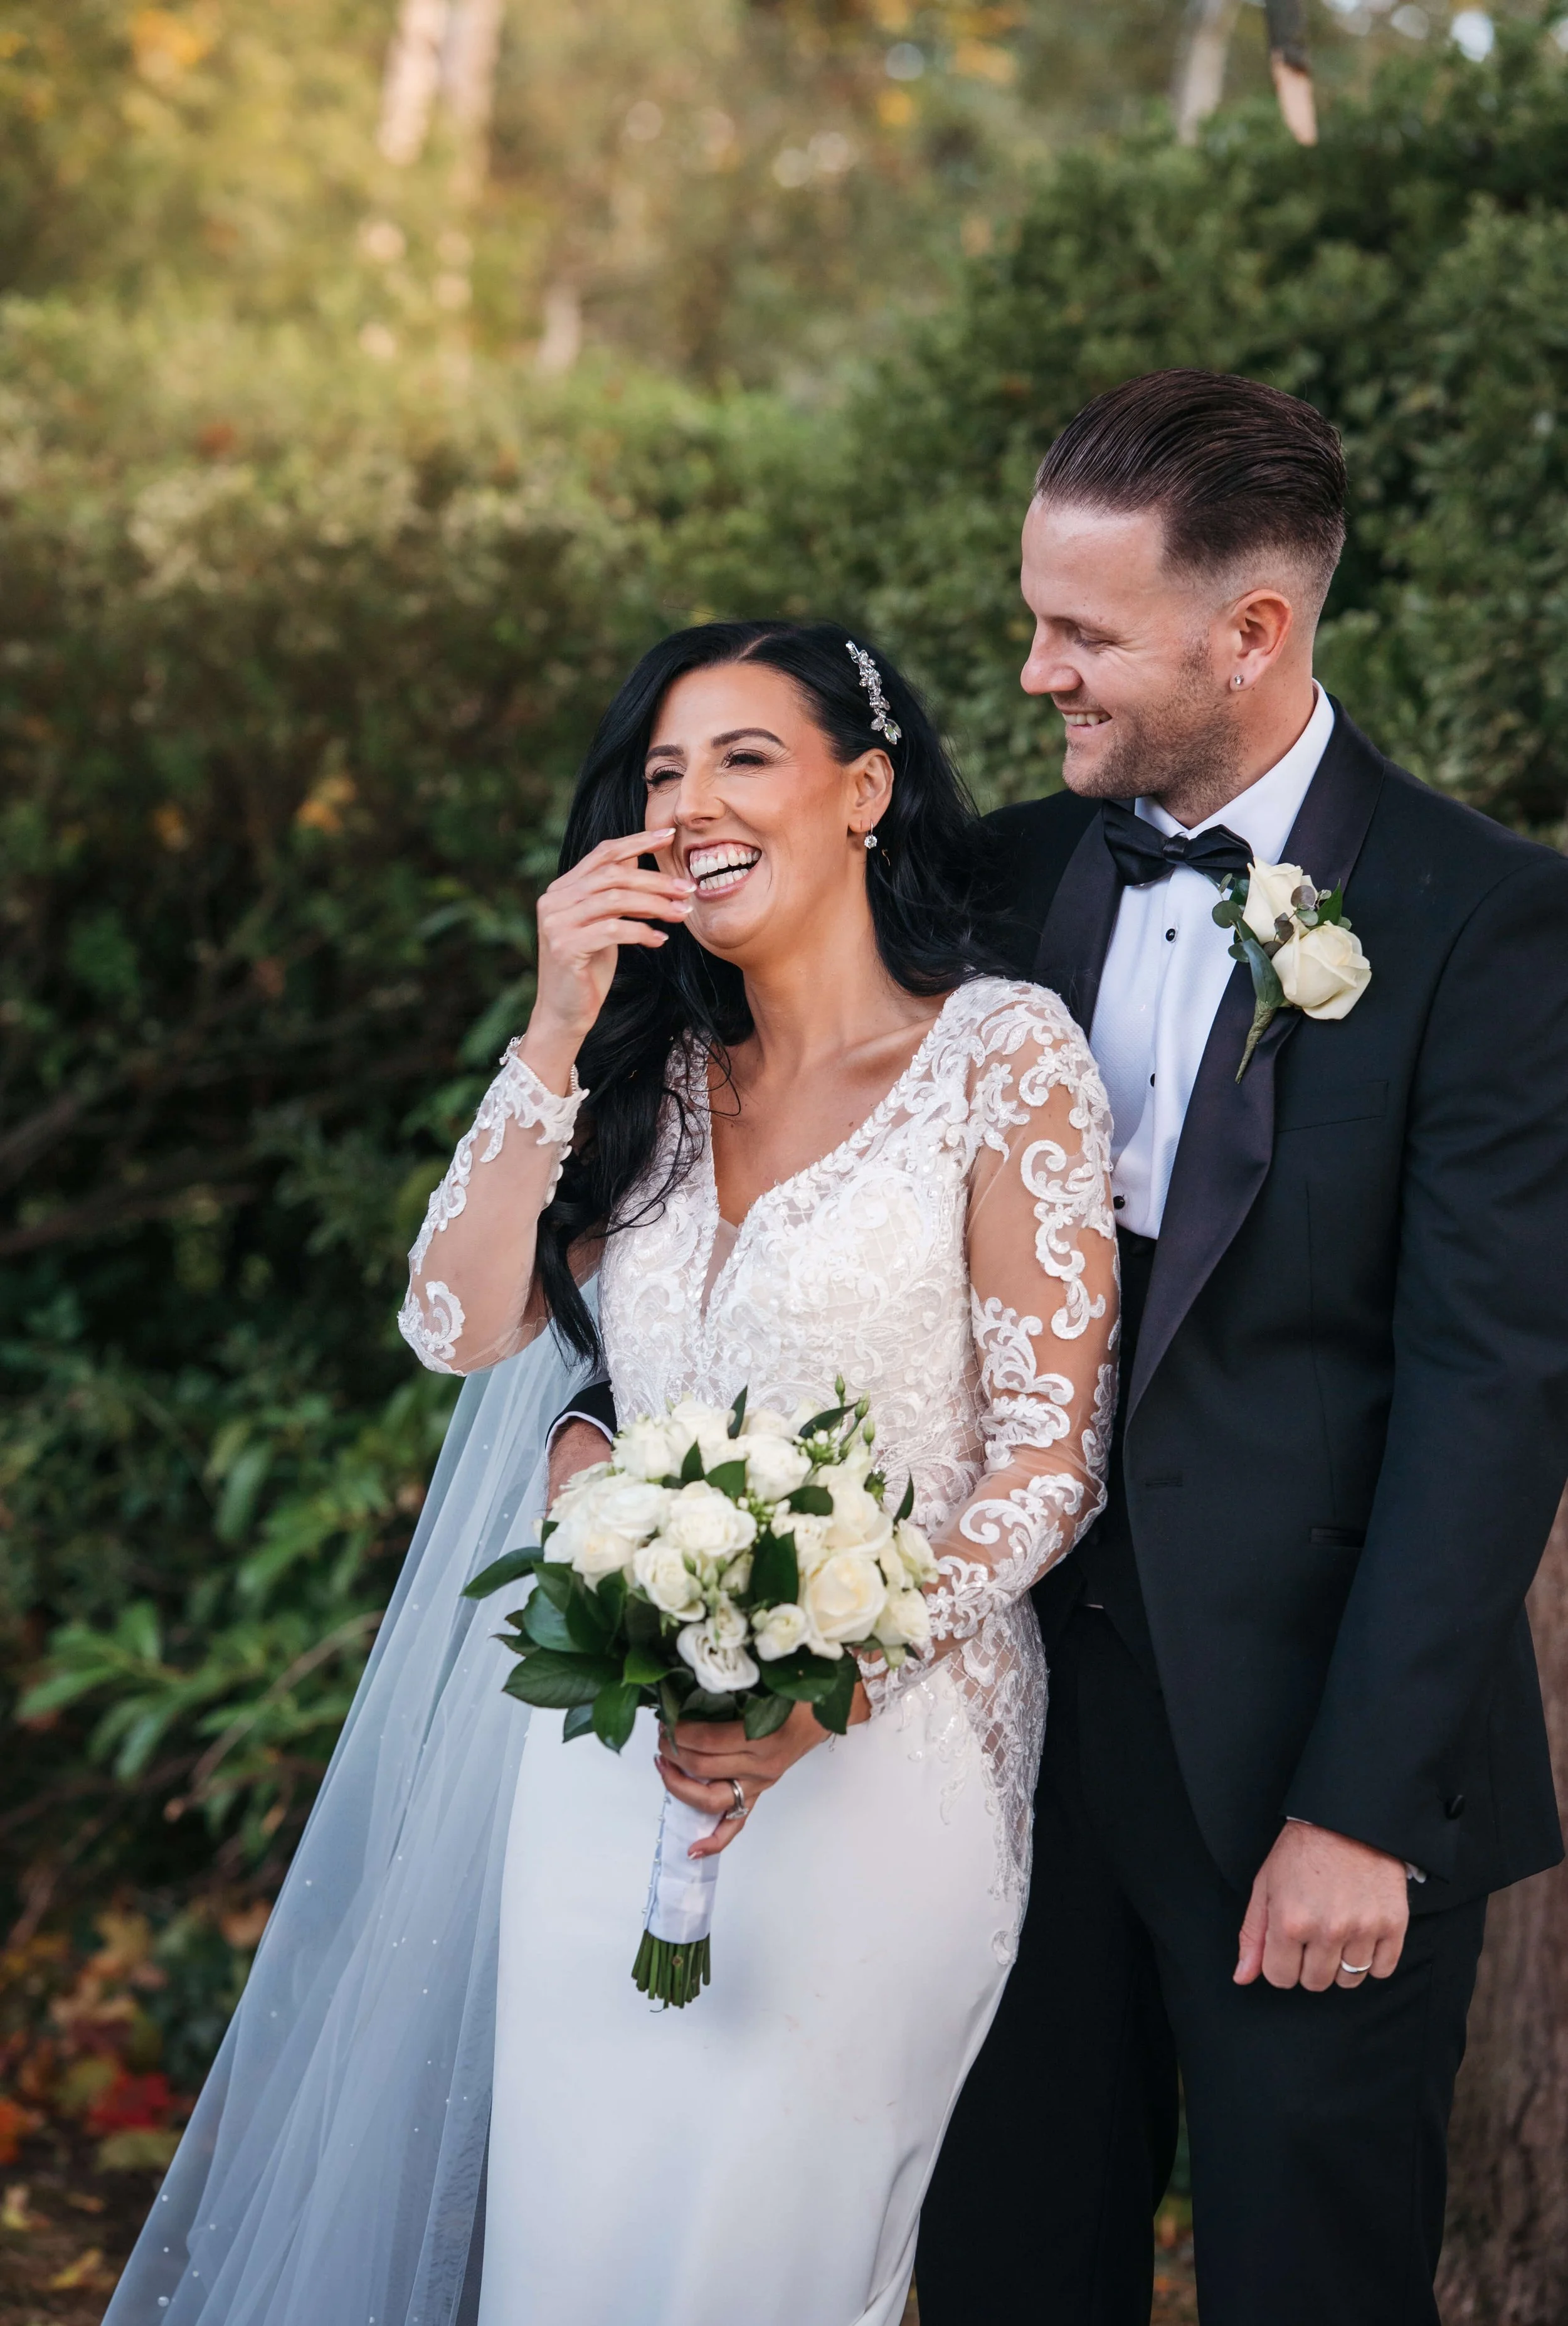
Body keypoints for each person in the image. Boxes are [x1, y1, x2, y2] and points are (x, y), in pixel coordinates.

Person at [105, 621, 1117, 2326]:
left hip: (888, 1756)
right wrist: (556, 1021)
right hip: (603, 1755)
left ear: (864, 790)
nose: (691, 803)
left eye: (743, 758)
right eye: (661, 772)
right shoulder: (645, 1078)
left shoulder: (1000, 1057)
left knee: (769, 2251)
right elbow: (454, 1322)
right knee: (571, 2244)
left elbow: (1046, 1464)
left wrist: (837, 1680)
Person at [906, 371, 1568, 2326]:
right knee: (1005, 2269)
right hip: (996, 1749)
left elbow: (1489, 1394)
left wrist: (1358, 1807)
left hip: (1306, 1766)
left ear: (1251, 629)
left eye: (1081, 632)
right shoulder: (992, 881)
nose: (1033, 672)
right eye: (1035, 616)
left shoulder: (1488, 923)